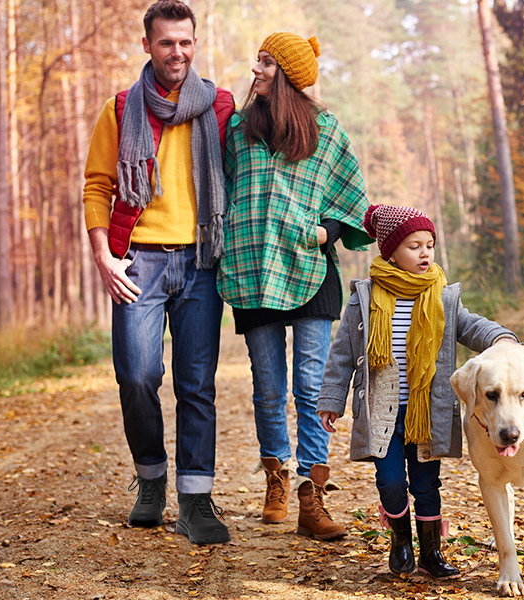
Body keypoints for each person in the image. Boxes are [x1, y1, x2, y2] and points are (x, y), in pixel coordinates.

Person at [79, 0, 235, 545]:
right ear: (147, 45)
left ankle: (196, 501)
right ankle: (150, 477)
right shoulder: (121, 108)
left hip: (200, 259)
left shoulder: (218, 106)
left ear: (196, 43)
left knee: (197, 385)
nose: (178, 52)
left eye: (186, 42)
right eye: (166, 42)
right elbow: (97, 186)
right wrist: (103, 256)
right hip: (137, 260)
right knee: (137, 376)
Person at [216, 31, 373, 541]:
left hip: (311, 271)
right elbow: (221, 189)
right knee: (268, 389)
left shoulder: (325, 129)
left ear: (285, 73)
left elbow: (352, 196)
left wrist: (325, 230)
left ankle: (311, 492)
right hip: (253, 269)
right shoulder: (238, 128)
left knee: (310, 385)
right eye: (257, 61)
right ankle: (276, 476)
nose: (255, 69)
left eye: (265, 62)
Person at [317, 205, 518, 577]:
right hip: (383, 411)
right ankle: (401, 542)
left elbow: (470, 326)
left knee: (427, 484)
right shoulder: (366, 297)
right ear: (390, 252)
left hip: (428, 410)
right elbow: (342, 352)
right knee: (391, 481)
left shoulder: (441, 296)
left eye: (430, 244)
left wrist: (502, 337)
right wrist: (331, 399)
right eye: (414, 246)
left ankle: (430, 553)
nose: (425, 253)